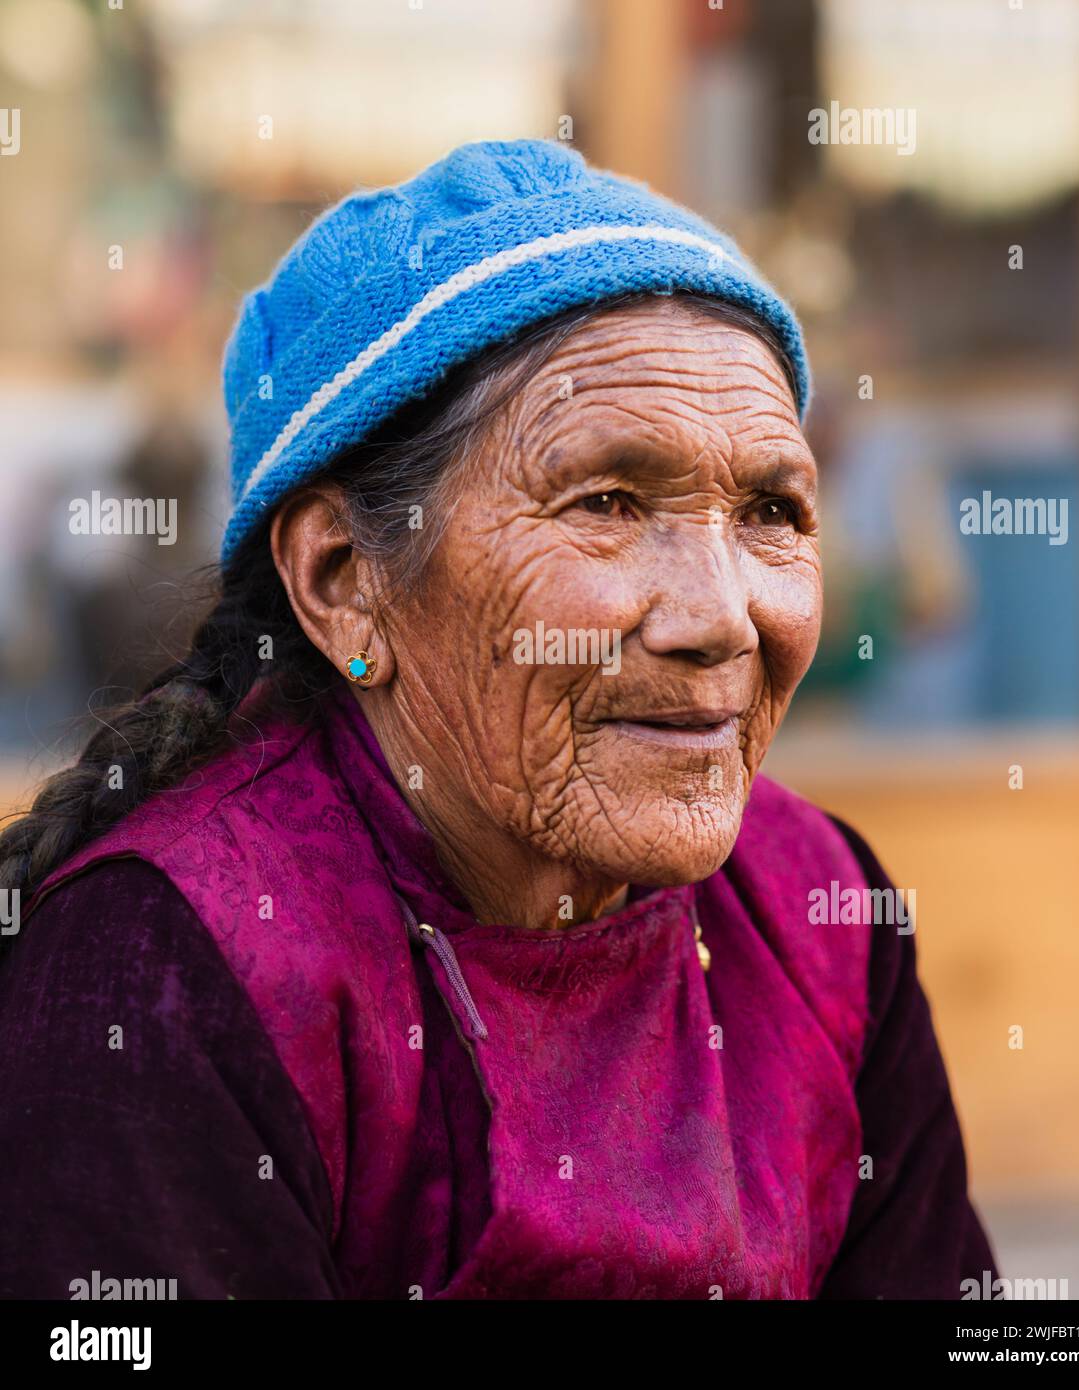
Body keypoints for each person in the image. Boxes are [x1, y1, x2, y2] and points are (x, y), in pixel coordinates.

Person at [0, 139, 996, 1299]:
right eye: (609, 503)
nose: (722, 617)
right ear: (339, 580)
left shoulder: (814, 909)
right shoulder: (168, 971)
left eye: (771, 510)